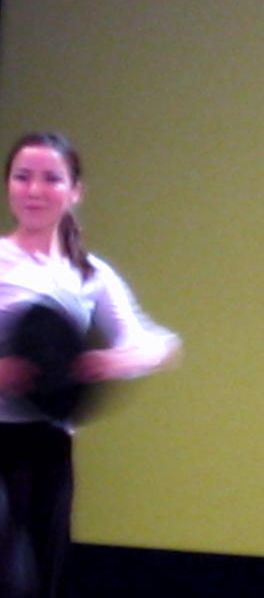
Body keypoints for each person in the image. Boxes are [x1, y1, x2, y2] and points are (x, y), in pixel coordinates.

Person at [0, 131, 180, 598]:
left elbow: (160, 345)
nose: (34, 190)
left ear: (75, 191)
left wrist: (111, 361)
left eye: (51, 179)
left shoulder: (90, 275)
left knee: (39, 581)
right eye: (22, 177)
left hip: (46, 451)